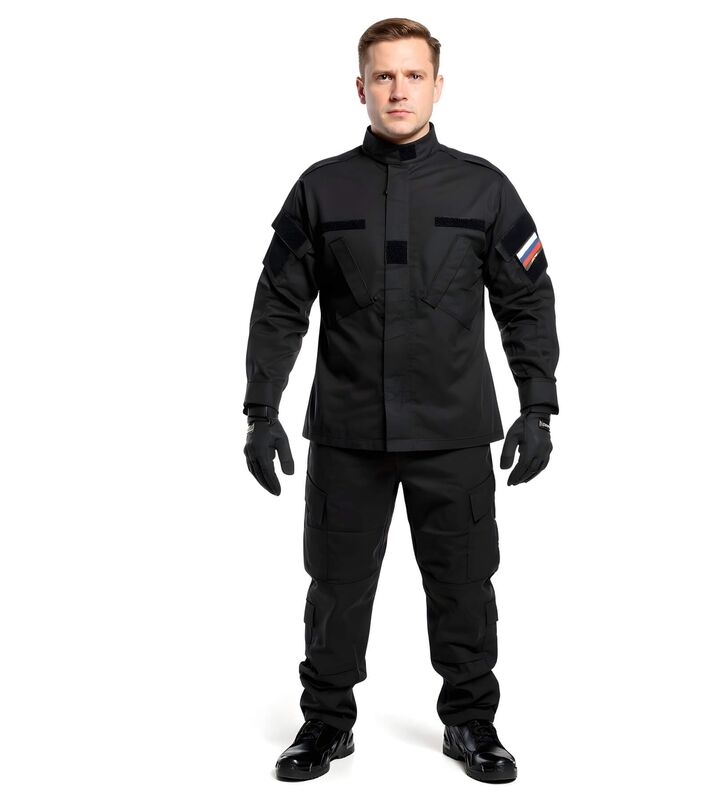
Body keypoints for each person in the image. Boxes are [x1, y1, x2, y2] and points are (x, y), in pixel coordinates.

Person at [242, 17, 559, 783]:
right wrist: (261, 410)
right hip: (348, 432)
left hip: (453, 429)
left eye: (413, 75)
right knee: (336, 586)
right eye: (383, 75)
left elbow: (526, 299)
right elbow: (280, 303)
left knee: (464, 584)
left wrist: (537, 406)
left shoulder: (483, 188)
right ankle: (326, 723)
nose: (398, 90)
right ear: (360, 87)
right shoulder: (321, 189)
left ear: (438, 86)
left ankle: (470, 722)